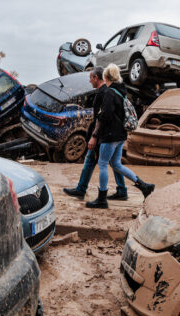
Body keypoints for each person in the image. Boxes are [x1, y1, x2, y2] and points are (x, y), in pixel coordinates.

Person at [86, 64, 154, 209]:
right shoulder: (121, 91)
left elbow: (107, 115)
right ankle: (143, 185)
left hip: (110, 135)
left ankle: (102, 199)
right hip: (121, 135)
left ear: (105, 77)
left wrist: (96, 129)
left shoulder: (110, 92)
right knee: (116, 164)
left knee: (103, 164)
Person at [62, 66, 128, 200]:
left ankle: (82, 189)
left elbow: (102, 118)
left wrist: (94, 136)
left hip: (103, 135)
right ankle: (121, 189)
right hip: (110, 135)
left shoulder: (104, 93)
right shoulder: (111, 90)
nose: (89, 81)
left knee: (91, 161)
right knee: (114, 163)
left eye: (90, 78)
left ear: (96, 78)